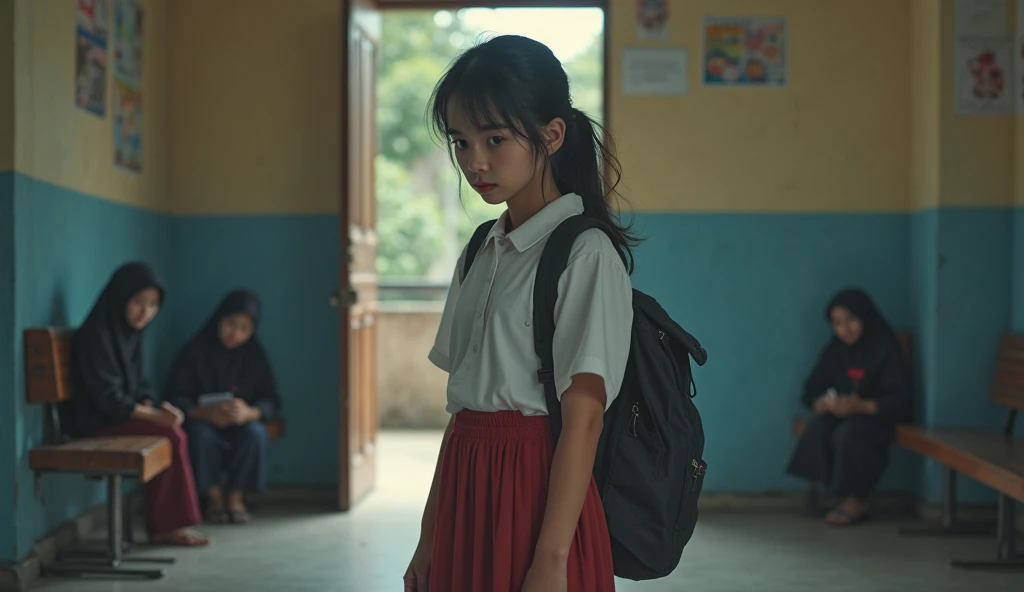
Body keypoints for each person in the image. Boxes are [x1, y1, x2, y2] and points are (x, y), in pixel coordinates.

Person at [403, 35, 636, 592]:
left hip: (537, 493)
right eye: (461, 142)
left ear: (552, 135)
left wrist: (552, 559)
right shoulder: (481, 248)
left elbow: (584, 417)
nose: (474, 161)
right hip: (467, 482)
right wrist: (429, 537)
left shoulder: (585, 253)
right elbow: (461, 410)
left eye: (495, 138)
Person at [62, 262, 209, 547]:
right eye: (138, 302)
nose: (146, 312)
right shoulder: (97, 336)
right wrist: (155, 417)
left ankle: (166, 524)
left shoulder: (129, 334)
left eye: (153, 304)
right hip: (92, 422)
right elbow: (108, 401)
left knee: (171, 432)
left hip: (113, 417)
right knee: (170, 435)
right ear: (120, 298)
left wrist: (153, 407)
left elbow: (139, 386)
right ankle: (166, 527)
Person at [786, 288, 911, 526]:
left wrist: (863, 405)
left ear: (865, 317)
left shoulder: (885, 346)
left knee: (850, 434)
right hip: (843, 414)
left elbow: (899, 398)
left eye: (851, 320)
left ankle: (856, 500)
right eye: (837, 323)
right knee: (820, 427)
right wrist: (822, 403)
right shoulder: (836, 349)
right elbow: (812, 388)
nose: (845, 329)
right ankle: (838, 496)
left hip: (876, 414)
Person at [164, 290, 280, 525]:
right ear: (219, 319)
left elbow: (272, 400)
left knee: (256, 434)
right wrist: (204, 413)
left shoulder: (255, 356)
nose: (234, 334)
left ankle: (236, 498)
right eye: (230, 324)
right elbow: (174, 398)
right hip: (203, 422)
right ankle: (214, 498)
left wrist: (249, 412)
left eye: (244, 329)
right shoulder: (194, 352)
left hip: (241, 423)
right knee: (199, 435)